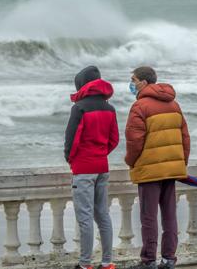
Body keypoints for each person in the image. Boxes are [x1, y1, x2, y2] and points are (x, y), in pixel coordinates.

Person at [125, 66, 190, 269]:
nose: (132, 84)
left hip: (149, 171)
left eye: (134, 80)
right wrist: (181, 162)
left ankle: (149, 260)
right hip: (170, 170)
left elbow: (134, 140)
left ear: (144, 82)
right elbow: (185, 137)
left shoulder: (139, 107)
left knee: (148, 216)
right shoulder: (174, 104)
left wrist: (130, 161)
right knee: (169, 214)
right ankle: (169, 258)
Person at [65, 65, 119, 269]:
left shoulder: (79, 107)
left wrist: (72, 160)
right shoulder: (110, 108)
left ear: (81, 84)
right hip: (102, 167)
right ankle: (107, 263)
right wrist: (100, 154)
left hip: (83, 169)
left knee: (85, 217)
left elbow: (71, 140)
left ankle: (85, 263)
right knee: (102, 214)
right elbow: (114, 139)